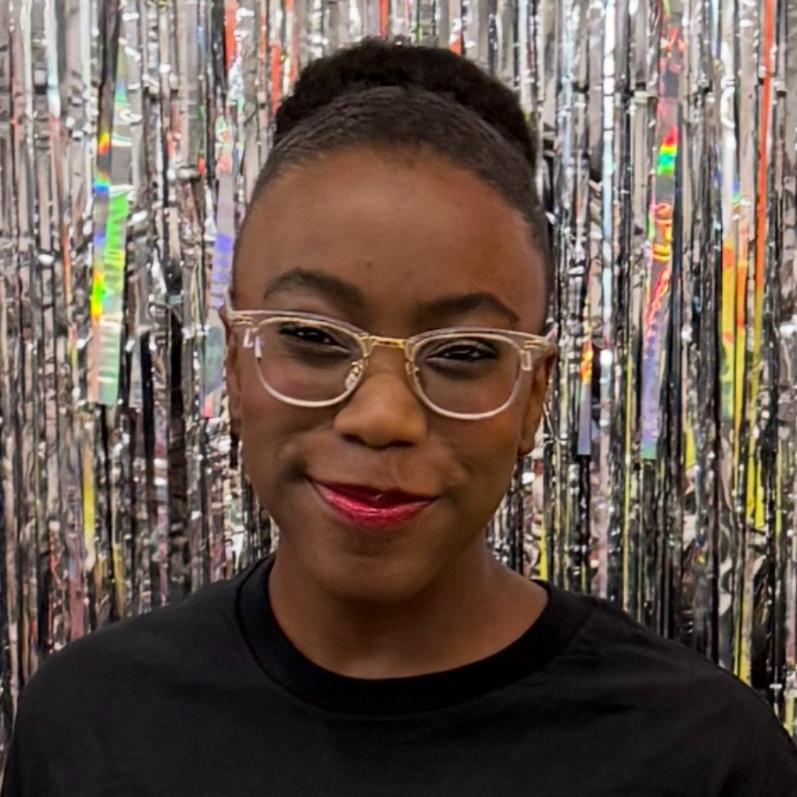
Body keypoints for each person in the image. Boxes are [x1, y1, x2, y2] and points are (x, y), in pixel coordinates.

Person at [3, 38, 797, 797]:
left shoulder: (704, 754)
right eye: (314, 336)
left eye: (462, 352)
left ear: (534, 393)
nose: (382, 416)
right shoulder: (91, 720)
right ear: (235, 361)